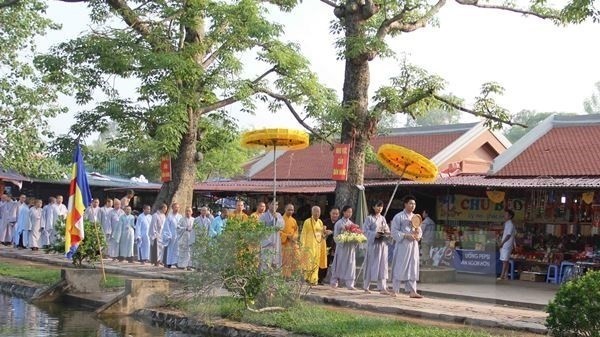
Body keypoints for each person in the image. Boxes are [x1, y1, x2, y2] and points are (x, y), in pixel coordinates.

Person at [390, 195, 423, 298]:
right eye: (410, 203)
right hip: (402, 246)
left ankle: (413, 291)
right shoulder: (398, 217)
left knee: (413, 267)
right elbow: (394, 232)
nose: (413, 205)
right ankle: (395, 290)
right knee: (400, 266)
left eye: (414, 204)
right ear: (405, 204)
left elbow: (419, 230)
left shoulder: (416, 217)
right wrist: (405, 235)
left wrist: (418, 235)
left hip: (413, 246)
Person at [363, 200, 390, 294]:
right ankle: (366, 286)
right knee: (370, 264)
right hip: (373, 245)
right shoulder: (369, 218)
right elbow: (365, 231)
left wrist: (386, 233)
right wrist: (374, 234)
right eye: (378, 206)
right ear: (373, 207)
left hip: (382, 245)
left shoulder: (383, 218)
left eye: (381, 206)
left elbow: (387, 229)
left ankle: (382, 287)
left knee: (383, 265)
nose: (379, 208)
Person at [330, 205, 358, 290]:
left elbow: (355, 234)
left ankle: (350, 284)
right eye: (348, 212)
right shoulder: (338, 223)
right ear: (344, 212)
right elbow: (335, 237)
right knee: (339, 264)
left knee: (350, 264)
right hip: (342, 248)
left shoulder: (352, 224)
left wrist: (355, 239)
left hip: (350, 248)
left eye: (351, 212)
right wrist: (343, 239)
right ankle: (334, 281)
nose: (349, 214)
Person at [300, 206, 328, 285]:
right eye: (315, 211)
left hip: (318, 245)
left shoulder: (320, 222)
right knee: (309, 262)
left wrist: (325, 233)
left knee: (316, 262)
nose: (317, 213)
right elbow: (303, 234)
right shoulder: (307, 222)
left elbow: (322, 234)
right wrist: (303, 245)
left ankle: (314, 280)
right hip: (309, 245)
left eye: (318, 212)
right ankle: (307, 279)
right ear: (311, 212)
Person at [259, 199, 284, 270]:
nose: (275, 206)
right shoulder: (263, 216)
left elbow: (281, 226)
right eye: (273, 204)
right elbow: (261, 229)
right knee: (266, 262)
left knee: (276, 262)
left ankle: (275, 279)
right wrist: (268, 241)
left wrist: (276, 219)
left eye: (276, 205)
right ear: (268, 204)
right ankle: (265, 279)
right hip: (267, 243)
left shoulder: (278, 215)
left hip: (276, 241)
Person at [318, 207, 339, 284]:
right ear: (330, 213)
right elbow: (321, 231)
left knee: (336, 263)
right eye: (333, 213)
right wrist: (324, 232)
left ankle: (335, 281)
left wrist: (332, 232)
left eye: (336, 214)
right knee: (324, 262)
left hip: (336, 246)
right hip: (326, 245)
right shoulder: (325, 222)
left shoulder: (339, 223)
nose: (335, 215)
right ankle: (320, 278)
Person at [280, 203, 299, 277]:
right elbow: (278, 231)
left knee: (292, 259)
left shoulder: (293, 220)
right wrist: (287, 236)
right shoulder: (280, 219)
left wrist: (294, 237)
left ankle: (290, 275)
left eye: (292, 210)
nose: (291, 212)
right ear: (285, 210)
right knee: (284, 260)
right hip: (284, 243)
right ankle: (283, 275)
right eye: (289, 210)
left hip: (292, 243)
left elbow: (296, 231)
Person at [163, 202, 183, 268]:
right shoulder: (169, 216)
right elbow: (166, 227)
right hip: (172, 235)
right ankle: (169, 262)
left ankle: (176, 262)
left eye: (178, 207)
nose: (177, 209)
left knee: (177, 249)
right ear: (172, 208)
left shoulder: (180, 216)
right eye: (175, 207)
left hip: (178, 235)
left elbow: (182, 226)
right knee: (170, 249)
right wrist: (168, 235)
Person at [498, 209, 516, 280]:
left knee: (505, 261)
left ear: (510, 216)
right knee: (505, 260)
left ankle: (502, 276)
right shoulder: (506, 224)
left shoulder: (511, 224)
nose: (504, 216)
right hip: (504, 244)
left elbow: (508, 235)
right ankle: (505, 275)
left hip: (507, 244)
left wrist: (502, 243)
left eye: (506, 215)